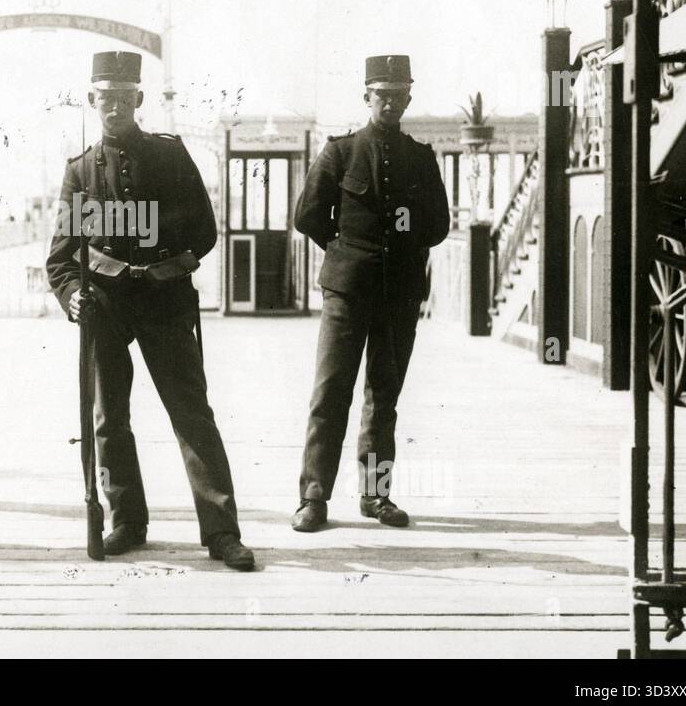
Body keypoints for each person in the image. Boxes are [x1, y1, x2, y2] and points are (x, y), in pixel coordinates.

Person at [45, 50, 255, 571]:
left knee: (191, 413)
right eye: (103, 98)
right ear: (91, 100)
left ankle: (222, 531)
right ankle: (126, 521)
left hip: (163, 302)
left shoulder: (169, 157)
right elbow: (61, 258)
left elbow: (204, 231)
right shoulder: (79, 173)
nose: (113, 106)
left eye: (123, 97)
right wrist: (74, 297)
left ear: (138, 100)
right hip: (105, 307)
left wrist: (170, 263)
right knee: (108, 419)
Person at [291, 54, 450, 532]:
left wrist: (402, 245)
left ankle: (375, 497)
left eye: (399, 95)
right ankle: (314, 498)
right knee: (330, 393)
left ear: (408, 98)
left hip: (399, 293)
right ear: (366, 97)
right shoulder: (340, 153)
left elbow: (438, 225)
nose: (391, 103)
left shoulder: (420, 159)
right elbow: (308, 216)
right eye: (382, 95)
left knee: (385, 395)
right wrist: (345, 252)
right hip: (347, 292)